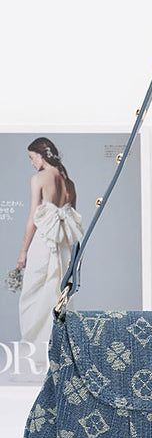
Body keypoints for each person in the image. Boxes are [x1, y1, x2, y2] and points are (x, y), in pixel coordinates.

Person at [17, 137, 84, 374]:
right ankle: (56, 352)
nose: (31, 163)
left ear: (41, 155)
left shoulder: (39, 179)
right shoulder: (70, 183)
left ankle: (37, 353)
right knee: (58, 293)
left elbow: (33, 219)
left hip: (44, 242)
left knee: (34, 292)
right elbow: (73, 218)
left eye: (32, 158)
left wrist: (23, 252)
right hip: (64, 245)